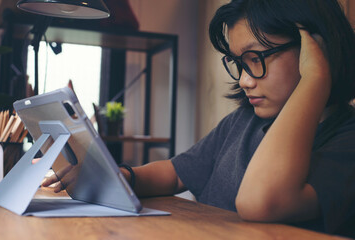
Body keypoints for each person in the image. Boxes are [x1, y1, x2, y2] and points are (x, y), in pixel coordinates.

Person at [42, 0, 355, 237]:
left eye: (255, 59)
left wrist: (315, 80)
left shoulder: (347, 141)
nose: (245, 80)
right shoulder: (243, 121)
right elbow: (177, 173)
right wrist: (120, 176)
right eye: (238, 64)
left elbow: (260, 202)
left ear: (315, 51)